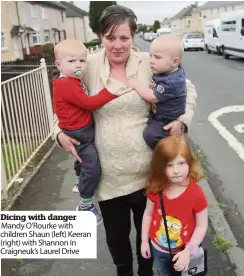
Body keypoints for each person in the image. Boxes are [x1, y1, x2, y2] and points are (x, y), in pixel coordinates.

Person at [54, 5, 197, 276]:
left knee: (149, 239)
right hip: (108, 177)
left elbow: (186, 88)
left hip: (149, 175)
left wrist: (183, 120)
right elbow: (60, 99)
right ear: (100, 37)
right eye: (110, 38)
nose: (117, 45)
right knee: (117, 240)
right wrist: (58, 133)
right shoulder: (87, 65)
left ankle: (146, 272)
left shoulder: (148, 62)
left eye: (124, 38)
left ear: (133, 37)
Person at [53, 39, 117, 224]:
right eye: (72, 61)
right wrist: (111, 91)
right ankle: (85, 204)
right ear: (58, 64)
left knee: (81, 161)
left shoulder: (69, 80)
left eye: (82, 60)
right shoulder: (67, 84)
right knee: (92, 166)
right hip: (79, 133)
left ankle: (79, 178)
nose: (79, 65)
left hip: (81, 129)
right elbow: (89, 103)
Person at [141, 135, 208, 276]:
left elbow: (201, 226)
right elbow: (147, 214)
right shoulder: (156, 187)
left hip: (185, 251)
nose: (176, 170)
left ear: (190, 163)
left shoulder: (196, 193)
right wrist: (144, 241)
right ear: (160, 167)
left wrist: (188, 251)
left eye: (181, 163)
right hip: (158, 248)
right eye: (169, 165)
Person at [127, 34, 187, 150]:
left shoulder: (171, 82)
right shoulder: (170, 69)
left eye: (157, 57)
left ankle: (168, 153)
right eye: (150, 55)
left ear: (175, 62)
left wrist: (135, 84)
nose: (151, 61)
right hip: (159, 115)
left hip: (167, 119)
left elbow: (152, 97)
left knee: (150, 135)